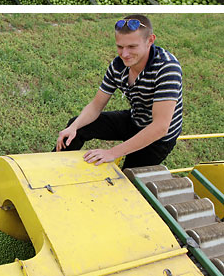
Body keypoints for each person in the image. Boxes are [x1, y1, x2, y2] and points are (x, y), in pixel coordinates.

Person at [55, 15, 183, 168]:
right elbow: (96, 106)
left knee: (126, 177)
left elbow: (160, 127)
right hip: (134, 119)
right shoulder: (118, 65)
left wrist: (112, 152)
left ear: (150, 40)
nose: (124, 54)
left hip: (157, 139)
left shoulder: (167, 68)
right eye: (120, 47)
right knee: (77, 127)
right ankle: (53, 168)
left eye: (132, 47)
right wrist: (73, 127)